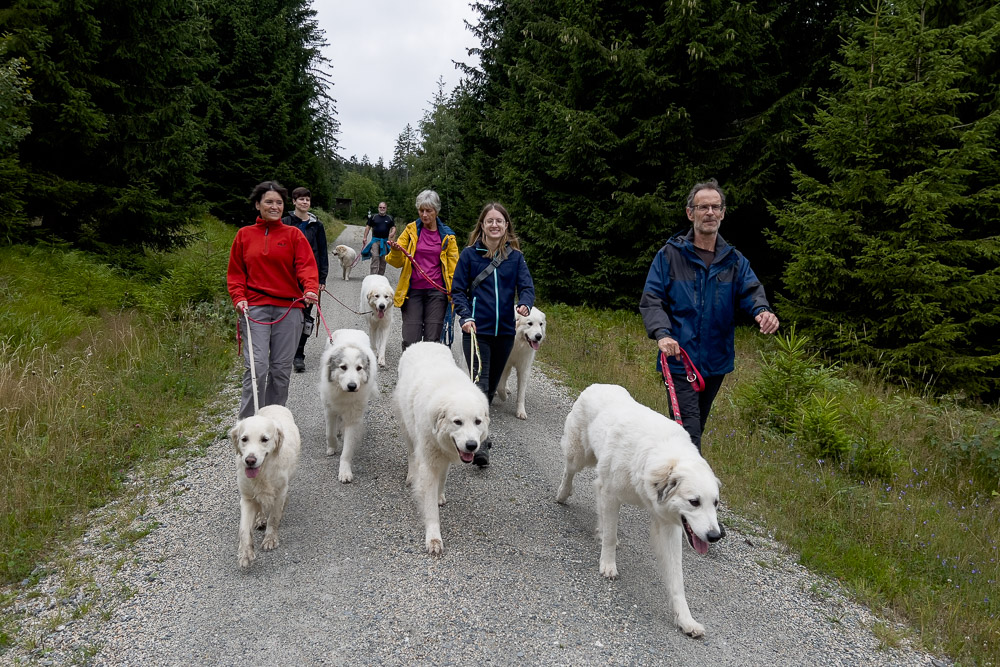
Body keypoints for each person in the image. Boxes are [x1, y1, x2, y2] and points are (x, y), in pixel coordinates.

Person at [639, 178, 779, 452]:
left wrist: (762, 311)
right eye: (703, 207)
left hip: (716, 360)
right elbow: (652, 299)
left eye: (716, 207)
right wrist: (663, 335)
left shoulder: (734, 260)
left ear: (723, 213)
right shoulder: (669, 256)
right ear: (690, 213)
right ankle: (692, 491)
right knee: (688, 431)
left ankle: (664, 478)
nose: (710, 213)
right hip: (679, 358)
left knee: (693, 427)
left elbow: (751, 291)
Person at [451, 202, 535, 467]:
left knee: (488, 390)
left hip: (505, 334)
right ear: (482, 225)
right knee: (480, 385)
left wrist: (525, 304)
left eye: (500, 221)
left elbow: (528, 287)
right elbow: (458, 291)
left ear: (506, 225)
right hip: (476, 331)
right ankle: (479, 446)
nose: (495, 225)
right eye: (490, 221)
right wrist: (465, 316)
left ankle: (475, 436)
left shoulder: (515, 257)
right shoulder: (469, 255)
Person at [227, 181, 319, 419]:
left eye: (279, 202)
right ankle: (247, 426)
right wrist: (238, 298)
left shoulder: (294, 235)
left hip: (289, 310)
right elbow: (236, 273)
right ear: (258, 205)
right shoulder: (244, 235)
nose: (275, 206)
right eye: (269, 201)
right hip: (254, 309)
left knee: (280, 370)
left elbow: (307, 267)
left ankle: (273, 423)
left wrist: (310, 289)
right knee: (257, 368)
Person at [386, 190, 459, 350]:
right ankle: (409, 373)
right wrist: (396, 250)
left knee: (432, 341)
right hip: (413, 292)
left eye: (428, 211)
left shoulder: (448, 236)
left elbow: (454, 268)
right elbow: (396, 263)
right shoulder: (410, 230)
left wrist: (455, 292)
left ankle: (430, 374)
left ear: (436, 211)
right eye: (421, 210)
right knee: (410, 340)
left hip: (437, 294)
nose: (424, 215)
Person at [281, 186, 328, 373]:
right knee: (286, 315)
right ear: (293, 201)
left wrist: (321, 278)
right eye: (300, 199)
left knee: (306, 317)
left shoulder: (317, 225)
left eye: (307, 199)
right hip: (287, 278)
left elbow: (323, 252)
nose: (304, 202)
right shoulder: (285, 222)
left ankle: (299, 354)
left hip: (309, 278)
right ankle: (284, 351)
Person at [361, 201, 396, 275]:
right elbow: (368, 227)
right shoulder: (373, 217)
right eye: (380, 207)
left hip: (385, 241)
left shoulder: (389, 218)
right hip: (375, 240)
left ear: (386, 208)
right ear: (378, 208)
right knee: (375, 257)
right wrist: (365, 237)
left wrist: (393, 232)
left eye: (384, 207)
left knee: (384, 259)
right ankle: (373, 276)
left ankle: (380, 276)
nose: (382, 209)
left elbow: (393, 227)